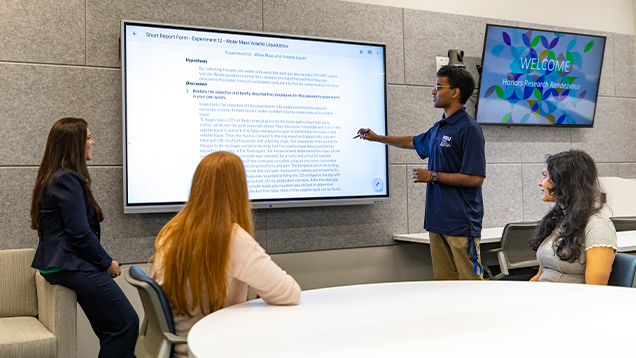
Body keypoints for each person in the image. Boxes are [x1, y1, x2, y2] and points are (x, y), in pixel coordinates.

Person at [152, 151, 301, 358]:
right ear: (238, 190)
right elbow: (290, 293)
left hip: (185, 348)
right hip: (218, 349)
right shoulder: (231, 238)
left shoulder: (171, 231)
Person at [357, 65, 486, 280]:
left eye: (438, 87)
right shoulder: (439, 127)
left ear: (455, 92)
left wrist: (433, 176)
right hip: (437, 222)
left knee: (471, 285)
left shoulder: (469, 129)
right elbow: (413, 141)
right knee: (444, 286)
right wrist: (378, 138)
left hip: (462, 223)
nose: (433, 91)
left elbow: (475, 178)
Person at [30, 117, 138, 358]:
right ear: (74, 144)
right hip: (68, 265)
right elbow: (79, 233)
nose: (93, 142)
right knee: (126, 324)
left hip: (65, 264)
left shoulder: (57, 176)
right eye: (88, 138)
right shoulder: (67, 178)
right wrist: (106, 263)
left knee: (114, 329)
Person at [529, 150, 616, 284]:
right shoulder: (558, 220)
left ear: (564, 182)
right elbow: (541, 275)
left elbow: (595, 291)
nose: (540, 183)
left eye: (545, 176)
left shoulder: (598, 226)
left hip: (567, 303)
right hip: (543, 299)